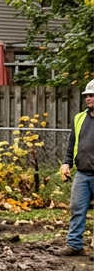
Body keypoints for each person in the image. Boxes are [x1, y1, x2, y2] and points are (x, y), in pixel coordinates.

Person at [57, 79, 94, 255]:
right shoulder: (80, 118)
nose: (89, 98)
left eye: (92, 95)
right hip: (82, 173)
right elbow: (72, 143)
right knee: (77, 209)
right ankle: (74, 245)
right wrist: (66, 162)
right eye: (87, 95)